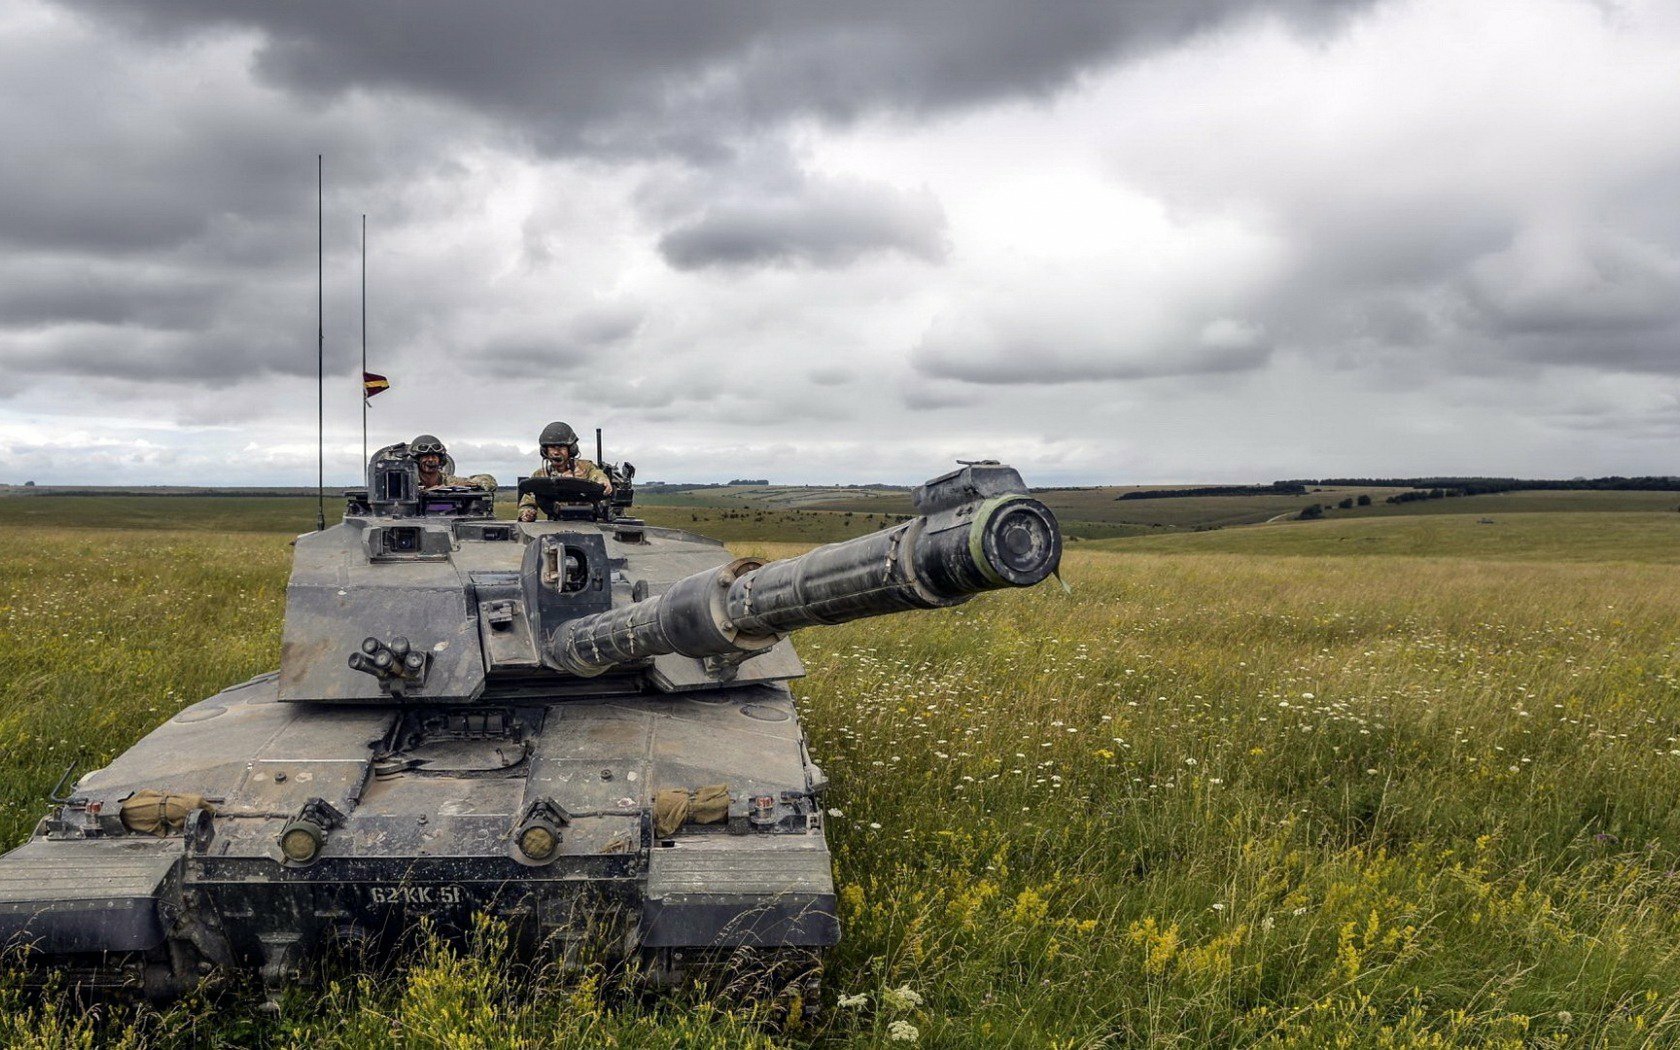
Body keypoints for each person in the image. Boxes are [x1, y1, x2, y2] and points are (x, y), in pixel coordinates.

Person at [517, 421, 611, 522]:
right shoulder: (540, 475)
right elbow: (528, 501)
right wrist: (527, 512)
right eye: (552, 448)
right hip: (555, 524)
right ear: (545, 451)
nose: (556, 452)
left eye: (561, 447)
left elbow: (597, 475)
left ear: (571, 449)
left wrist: (603, 481)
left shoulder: (586, 468)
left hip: (588, 522)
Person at [409, 434, 497, 491]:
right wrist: (431, 490)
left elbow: (489, 481)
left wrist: (471, 484)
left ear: (440, 459)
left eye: (434, 456)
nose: (431, 460)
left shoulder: (449, 481)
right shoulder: (408, 483)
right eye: (425, 456)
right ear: (416, 459)